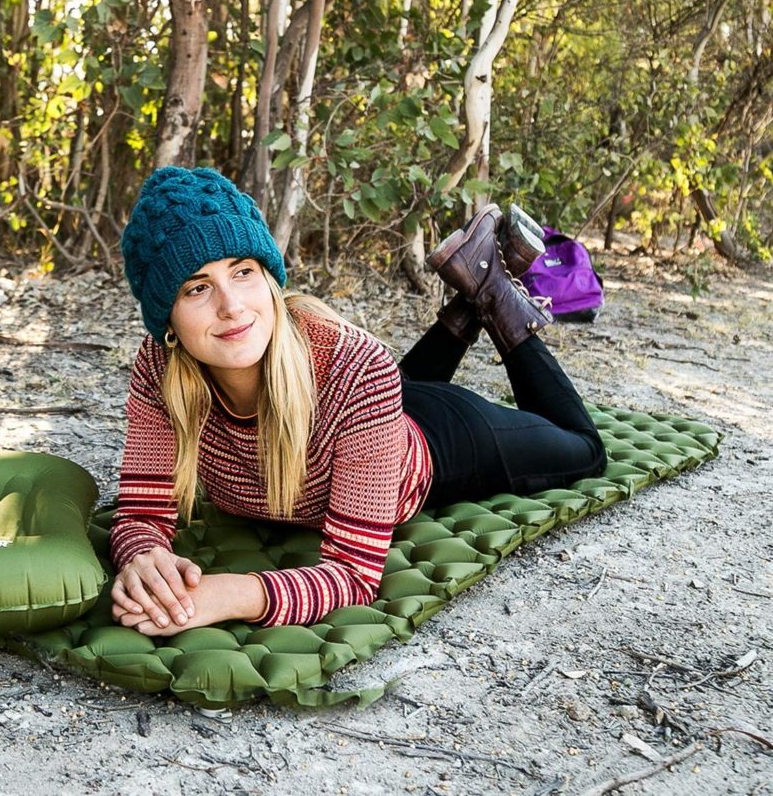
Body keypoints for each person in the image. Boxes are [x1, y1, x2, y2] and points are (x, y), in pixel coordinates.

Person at [110, 166, 606, 636]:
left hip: (439, 442)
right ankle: (470, 298)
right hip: (368, 417)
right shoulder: (160, 368)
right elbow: (141, 514)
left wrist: (229, 595)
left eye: (242, 272)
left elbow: (352, 573)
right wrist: (142, 556)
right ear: (166, 319)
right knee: (383, 388)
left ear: (269, 277)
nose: (231, 305)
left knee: (584, 451)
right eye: (197, 287)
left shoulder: (355, 366)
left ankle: (497, 299)